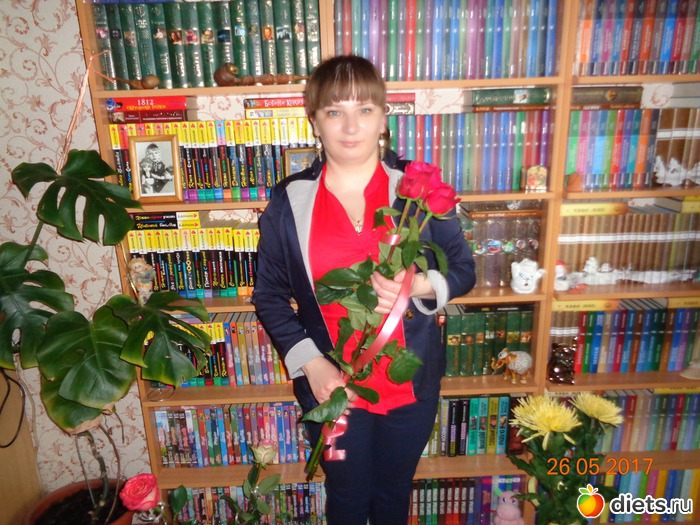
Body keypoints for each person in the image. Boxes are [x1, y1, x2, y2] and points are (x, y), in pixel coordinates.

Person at [252, 55, 476, 525]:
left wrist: (420, 285)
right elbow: (268, 295)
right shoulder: (290, 200)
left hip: (410, 387)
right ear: (314, 120)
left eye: (365, 109)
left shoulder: (419, 187)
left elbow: (463, 270)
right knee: (347, 500)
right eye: (335, 111)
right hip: (333, 389)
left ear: (383, 117)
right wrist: (311, 364)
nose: (351, 126)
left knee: (393, 497)